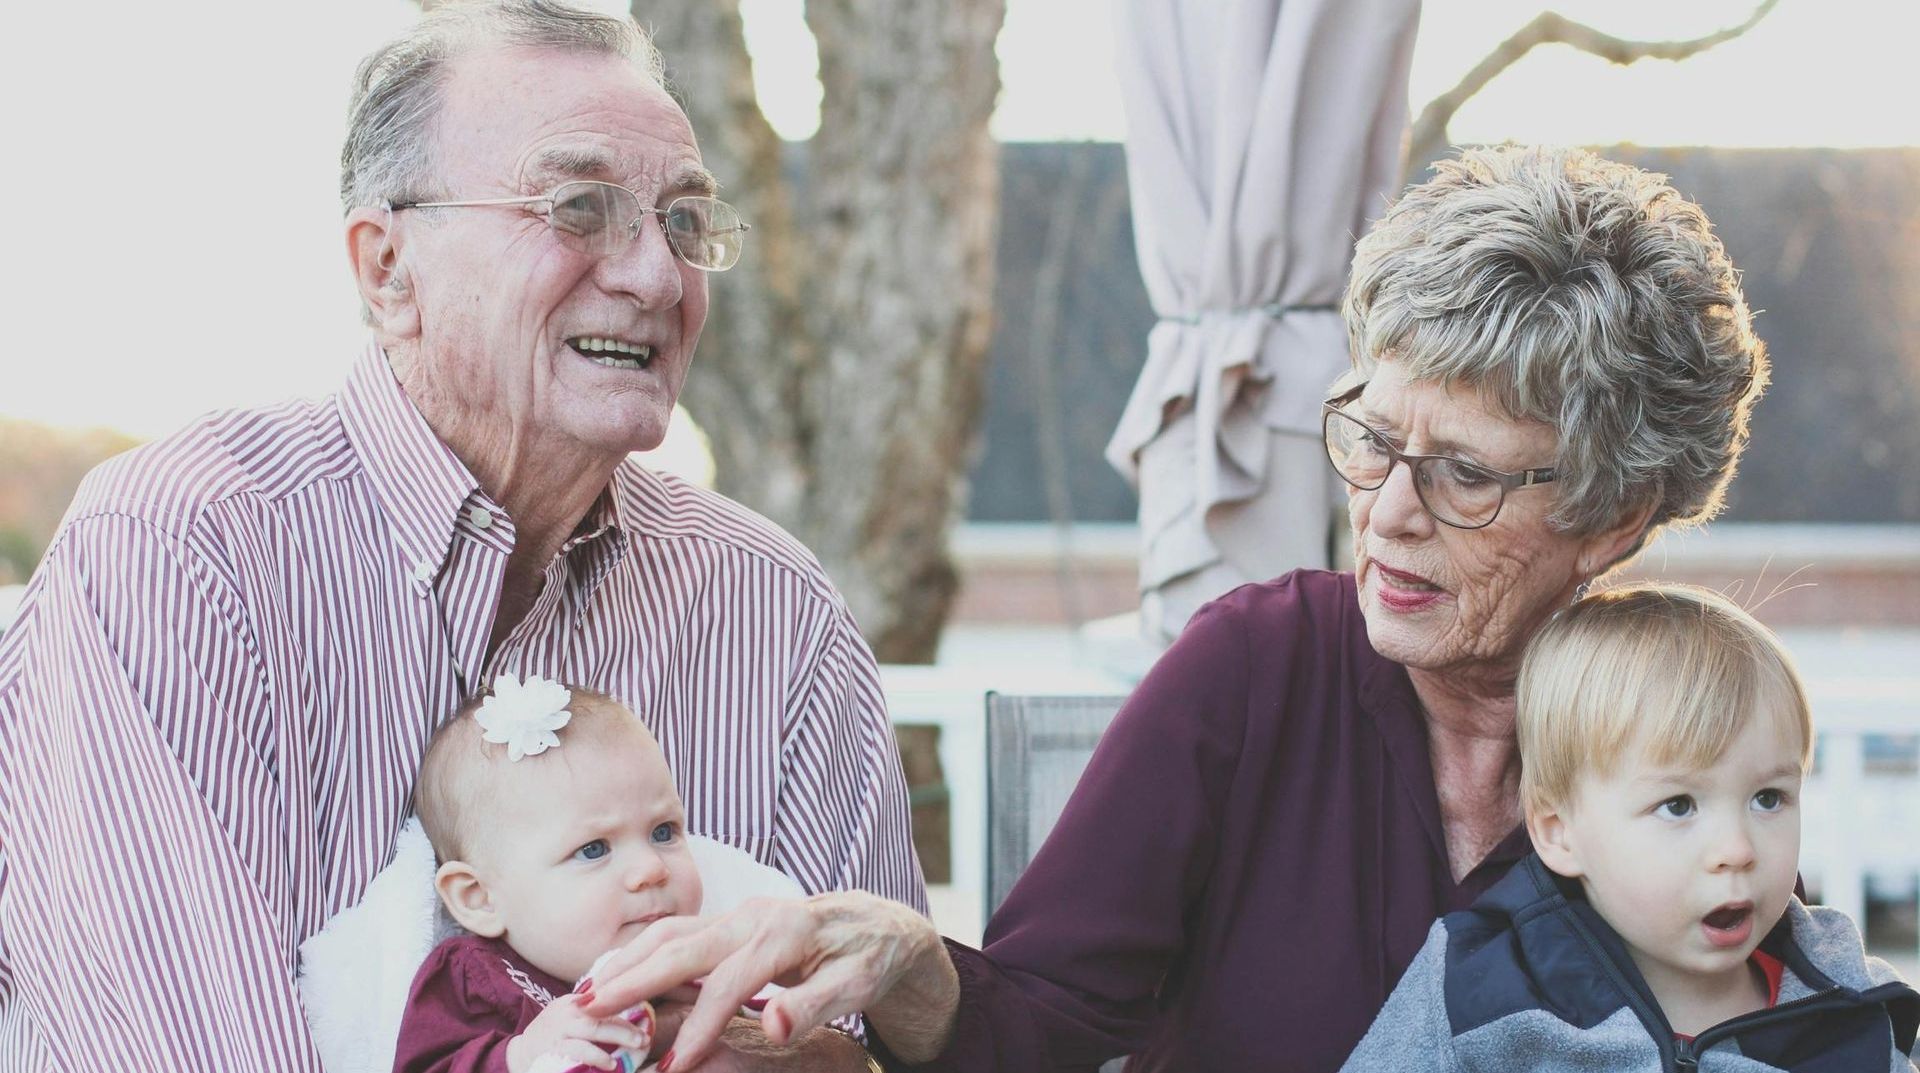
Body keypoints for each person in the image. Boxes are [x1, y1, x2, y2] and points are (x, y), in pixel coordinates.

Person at [575, 145, 1777, 1072]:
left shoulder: (1688, 728)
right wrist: (904, 960)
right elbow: (1039, 1026)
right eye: (1371, 435)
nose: (1389, 512)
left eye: (1463, 472)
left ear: (1614, 520)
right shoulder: (1257, 668)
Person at [0, 3, 918, 1068]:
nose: (658, 278)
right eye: (579, 207)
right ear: (389, 268)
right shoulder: (184, 555)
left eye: (681, 222)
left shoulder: (773, 607)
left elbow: (870, 1044)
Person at [1341, 584, 1920, 1071]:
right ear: (1558, 832)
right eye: (1678, 806)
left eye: (1768, 798)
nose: (1737, 850)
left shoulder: (1851, 1009)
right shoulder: (1480, 991)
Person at [394, 675, 692, 1073]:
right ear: (479, 897)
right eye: (593, 849)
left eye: (663, 832)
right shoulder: (476, 979)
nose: (652, 869)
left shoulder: (700, 963)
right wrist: (521, 1055)